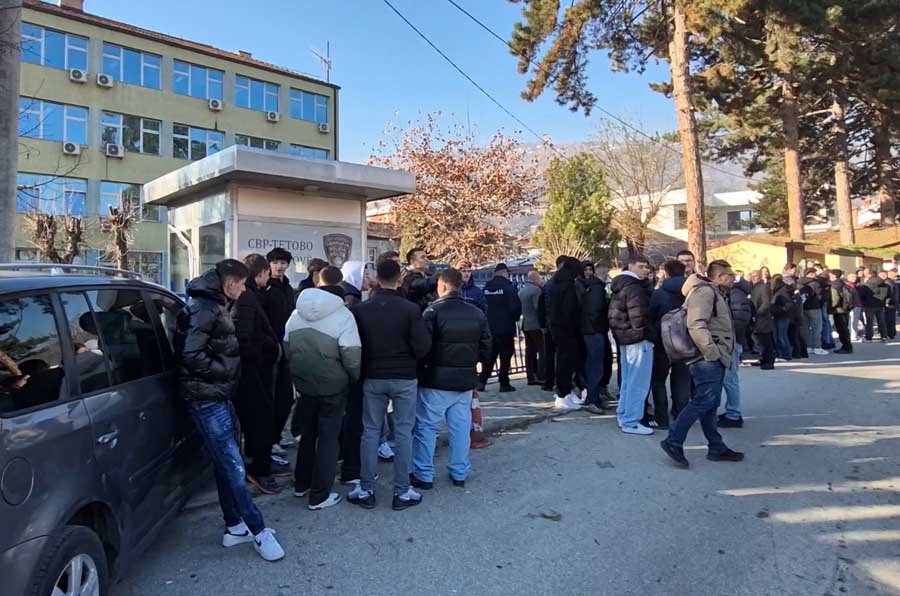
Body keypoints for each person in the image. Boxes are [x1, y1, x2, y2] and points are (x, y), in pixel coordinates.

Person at [175, 259, 284, 561]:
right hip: (207, 398)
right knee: (234, 467)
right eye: (242, 284)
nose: (244, 289)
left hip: (217, 395)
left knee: (227, 464)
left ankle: (235, 527)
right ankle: (258, 530)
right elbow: (190, 354)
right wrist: (223, 371)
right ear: (231, 283)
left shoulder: (213, 305)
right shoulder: (204, 308)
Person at [348, 258, 431, 511]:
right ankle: (402, 490)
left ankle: (366, 488)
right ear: (399, 278)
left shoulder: (361, 310)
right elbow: (422, 346)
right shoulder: (410, 309)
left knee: (370, 431)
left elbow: (355, 345)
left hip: (373, 375)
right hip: (404, 376)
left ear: (377, 278)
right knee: (404, 432)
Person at [284, 266, 361, 511]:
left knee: (308, 434)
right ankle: (319, 495)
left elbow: (287, 347)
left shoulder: (296, 312)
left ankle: (301, 484)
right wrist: (353, 378)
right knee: (328, 438)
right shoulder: (344, 315)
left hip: (304, 384)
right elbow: (352, 356)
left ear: (318, 282)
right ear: (340, 285)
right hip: (334, 385)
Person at [412, 268, 492, 491]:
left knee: (427, 428)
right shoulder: (476, 313)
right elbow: (487, 348)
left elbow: (422, 347)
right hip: (465, 379)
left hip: (435, 380)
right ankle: (459, 472)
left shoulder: (432, 312)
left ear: (442, 285)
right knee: (460, 428)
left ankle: (423, 474)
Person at [660, 260, 744, 468]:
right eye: (730, 275)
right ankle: (673, 441)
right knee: (704, 401)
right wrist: (711, 352)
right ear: (719, 276)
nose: (733, 278)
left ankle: (716, 446)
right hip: (705, 357)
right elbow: (696, 324)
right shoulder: (705, 292)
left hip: (710, 355)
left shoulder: (713, 292)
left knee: (710, 404)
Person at [232, 254, 287, 495]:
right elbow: (243, 336)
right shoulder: (246, 297)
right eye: (267, 272)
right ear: (261, 272)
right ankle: (260, 469)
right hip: (251, 370)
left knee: (262, 416)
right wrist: (262, 353)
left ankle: (261, 460)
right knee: (260, 418)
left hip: (257, 367)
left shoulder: (252, 294)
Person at [608, 256, 655, 435]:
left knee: (628, 381)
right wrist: (643, 333)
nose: (645, 270)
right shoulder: (635, 287)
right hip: (637, 339)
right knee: (638, 383)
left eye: (647, 267)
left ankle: (624, 415)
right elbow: (639, 316)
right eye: (641, 266)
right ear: (631, 266)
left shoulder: (621, 285)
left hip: (625, 338)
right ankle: (631, 421)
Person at [263, 248, 298, 464]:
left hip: (287, 348)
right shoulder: (265, 287)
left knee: (286, 397)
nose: (279, 266)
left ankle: (276, 436)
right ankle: (270, 440)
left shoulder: (287, 287)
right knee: (272, 397)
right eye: (275, 262)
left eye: (283, 263)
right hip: (270, 350)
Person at [648, 260, 690, 429]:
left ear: (665, 272)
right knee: (682, 378)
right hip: (686, 341)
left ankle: (662, 418)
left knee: (658, 380)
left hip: (662, 341)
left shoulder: (660, 293)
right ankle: (681, 416)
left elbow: (651, 316)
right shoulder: (692, 291)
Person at [478, 263, 522, 393]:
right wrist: (515, 318)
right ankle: (504, 383)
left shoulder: (487, 287)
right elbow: (515, 307)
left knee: (490, 355)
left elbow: (483, 305)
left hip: (490, 326)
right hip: (506, 327)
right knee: (506, 355)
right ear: (504, 272)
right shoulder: (508, 287)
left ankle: (482, 381)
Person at [548, 257, 584, 411]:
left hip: (557, 328)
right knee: (566, 362)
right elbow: (570, 311)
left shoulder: (555, 284)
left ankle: (564, 393)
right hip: (567, 330)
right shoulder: (568, 286)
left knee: (562, 361)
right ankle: (563, 394)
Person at [720, 269, 752, 428]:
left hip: (731, 342)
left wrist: (728, 338)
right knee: (728, 378)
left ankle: (734, 414)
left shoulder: (736, 294)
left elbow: (739, 320)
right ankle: (731, 411)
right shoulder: (729, 293)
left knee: (729, 378)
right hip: (730, 341)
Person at [577, 261, 609, 414]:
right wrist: (598, 327)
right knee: (596, 367)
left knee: (593, 365)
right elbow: (594, 311)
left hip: (589, 330)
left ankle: (594, 397)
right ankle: (593, 399)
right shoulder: (596, 288)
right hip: (594, 331)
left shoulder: (587, 287)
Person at [538, 255, 568, 393]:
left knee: (550, 354)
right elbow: (543, 305)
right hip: (557, 324)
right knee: (559, 354)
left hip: (549, 323)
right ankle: (557, 383)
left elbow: (541, 306)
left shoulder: (548, 284)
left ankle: (549, 381)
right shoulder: (558, 283)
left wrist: (543, 323)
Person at [519, 270, 545, 386]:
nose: (541, 280)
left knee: (529, 351)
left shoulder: (522, 291)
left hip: (526, 324)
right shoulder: (536, 291)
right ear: (535, 279)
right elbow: (538, 308)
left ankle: (530, 376)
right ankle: (541, 375)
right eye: (539, 278)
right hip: (536, 325)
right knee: (542, 351)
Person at [749, 270, 775, 369]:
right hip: (757, 318)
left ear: (760, 276)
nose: (753, 278)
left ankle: (769, 361)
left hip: (763, 319)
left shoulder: (764, 287)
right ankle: (763, 359)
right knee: (759, 340)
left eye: (756, 276)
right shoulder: (753, 288)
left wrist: (757, 314)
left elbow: (766, 303)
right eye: (752, 276)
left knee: (766, 340)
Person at [798, 268, 827, 355]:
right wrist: (820, 303)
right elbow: (820, 296)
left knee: (805, 328)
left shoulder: (799, 282)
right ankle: (817, 347)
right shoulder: (815, 283)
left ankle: (808, 347)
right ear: (811, 274)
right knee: (816, 328)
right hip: (814, 307)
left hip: (803, 307)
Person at [401, 247, 437, 311]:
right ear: (413, 262)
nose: (427, 260)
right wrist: (440, 278)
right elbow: (420, 285)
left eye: (426, 257)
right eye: (422, 257)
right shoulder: (408, 277)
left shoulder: (429, 274)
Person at [859, 267, 889, 342]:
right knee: (881, 321)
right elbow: (886, 294)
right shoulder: (883, 283)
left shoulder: (866, 284)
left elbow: (862, 294)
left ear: (869, 274)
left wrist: (863, 302)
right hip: (880, 305)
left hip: (869, 305)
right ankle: (884, 336)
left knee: (869, 322)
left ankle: (869, 337)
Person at [828, 269, 853, 354]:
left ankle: (846, 347)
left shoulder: (834, 285)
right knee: (845, 329)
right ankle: (847, 346)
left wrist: (830, 308)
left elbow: (835, 300)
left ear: (834, 276)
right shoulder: (843, 283)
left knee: (841, 329)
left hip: (838, 310)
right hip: (846, 308)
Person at [771, 275, 794, 361]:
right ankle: (780, 353)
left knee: (782, 336)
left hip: (782, 316)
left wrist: (780, 310)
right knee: (778, 336)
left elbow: (788, 304)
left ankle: (786, 354)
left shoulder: (782, 291)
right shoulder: (779, 291)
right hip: (778, 316)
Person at [846, 271, 864, 341]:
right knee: (853, 321)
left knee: (855, 321)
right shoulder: (848, 286)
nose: (854, 278)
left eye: (855, 277)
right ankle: (853, 336)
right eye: (852, 277)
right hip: (853, 305)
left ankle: (853, 335)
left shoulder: (856, 285)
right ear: (848, 277)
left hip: (857, 305)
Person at [881, 270, 897, 340]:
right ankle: (891, 333)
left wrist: (886, 302)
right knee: (891, 319)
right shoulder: (891, 282)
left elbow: (889, 294)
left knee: (888, 319)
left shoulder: (887, 282)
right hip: (892, 303)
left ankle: (890, 333)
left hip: (889, 304)